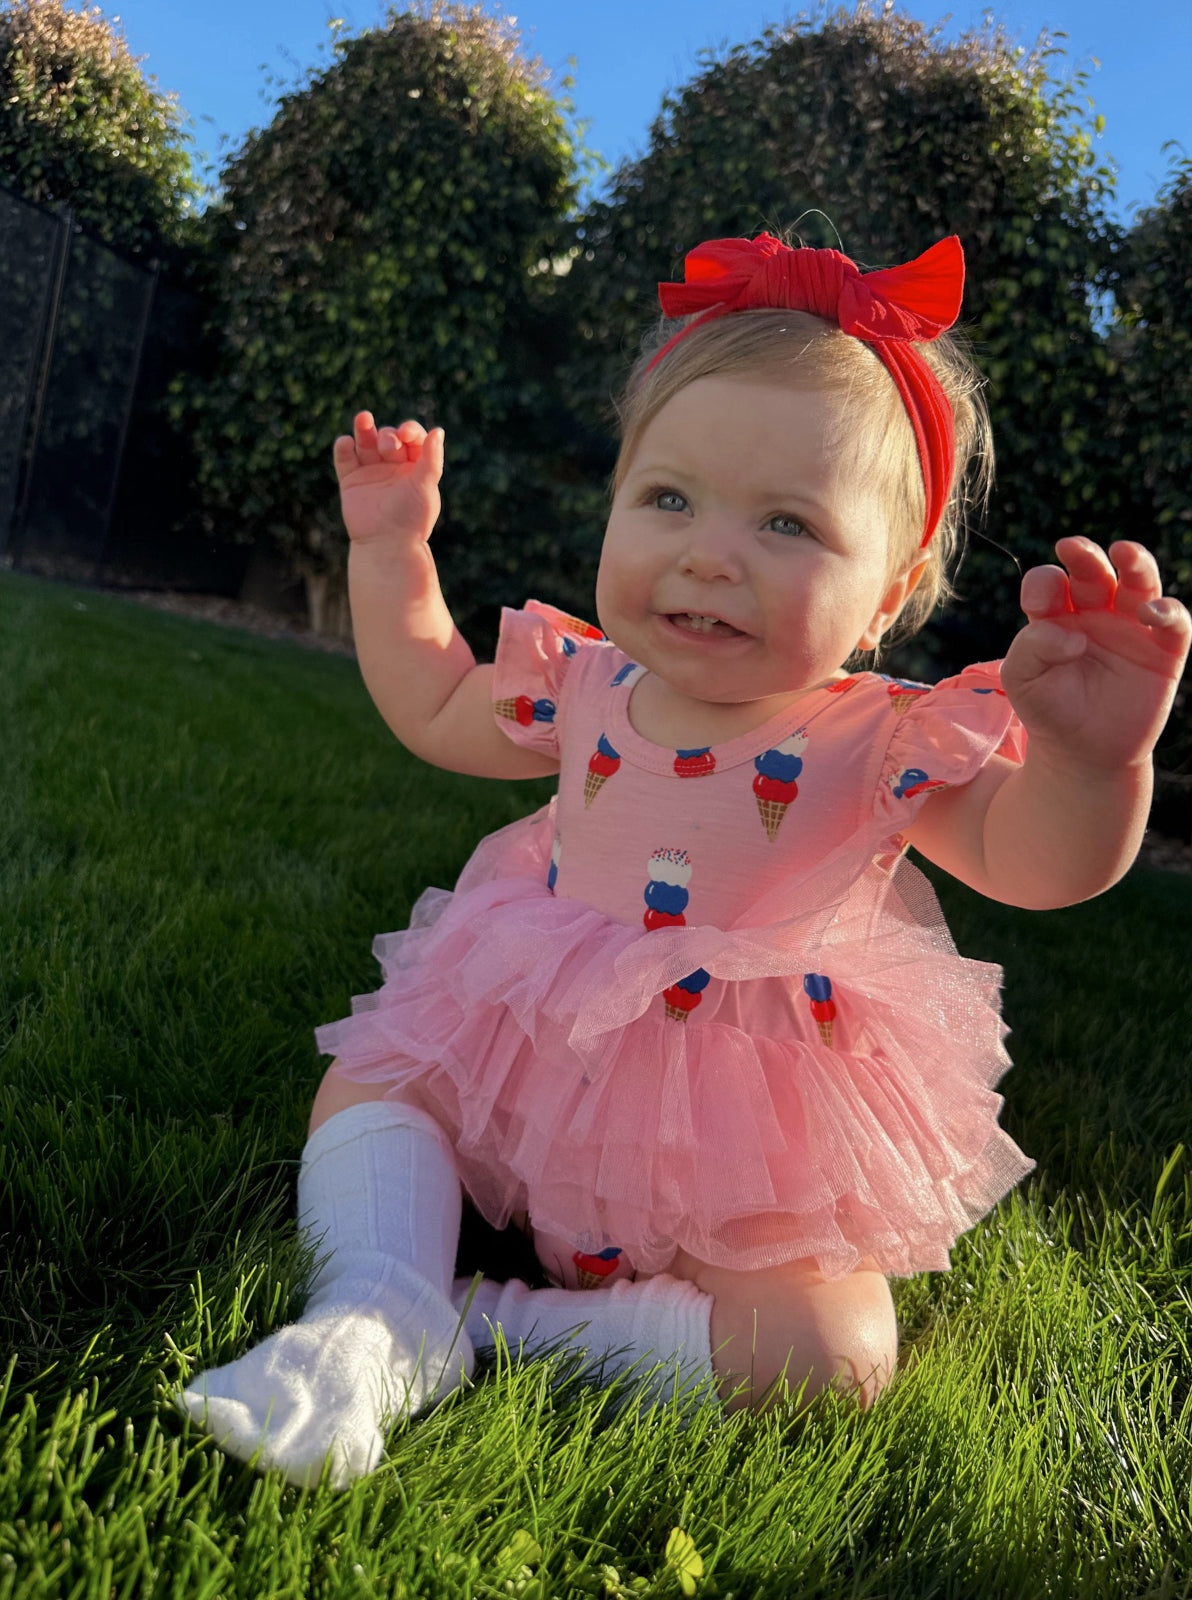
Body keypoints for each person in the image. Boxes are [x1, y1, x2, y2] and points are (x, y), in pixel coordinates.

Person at [177, 233, 1191, 1489]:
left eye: (786, 522)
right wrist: (393, 553)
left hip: (745, 1120)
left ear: (893, 587)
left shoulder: (880, 738)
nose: (710, 552)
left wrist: (1092, 767)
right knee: (377, 1088)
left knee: (832, 1354)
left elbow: (1034, 861)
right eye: (668, 498)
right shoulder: (589, 681)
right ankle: (375, 1299)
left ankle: (485, 1328)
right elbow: (436, 705)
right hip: (530, 1041)